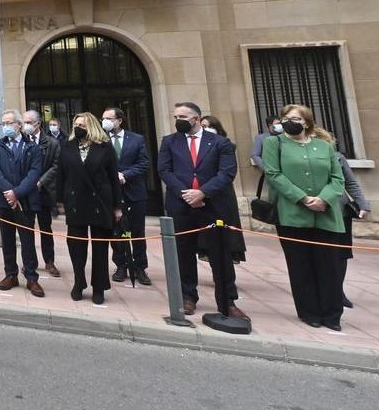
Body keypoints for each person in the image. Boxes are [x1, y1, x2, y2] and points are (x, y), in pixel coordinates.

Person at [159, 102, 248, 320]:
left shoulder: (220, 142)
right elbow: (165, 170)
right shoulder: (169, 142)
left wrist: (203, 193)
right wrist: (186, 194)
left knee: (220, 254)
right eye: (175, 116)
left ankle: (227, 300)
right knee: (183, 252)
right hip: (181, 205)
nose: (178, 119)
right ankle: (187, 297)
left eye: (182, 116)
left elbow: (226, 173)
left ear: (196, 119)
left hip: (213, 206)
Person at [262, 104, 346, 331]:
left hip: (326, 214)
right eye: (287, 118)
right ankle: (309, 311)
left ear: (307, 122)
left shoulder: (324, 146)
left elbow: (337, 178)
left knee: (329, 265)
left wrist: (324, 199)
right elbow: (273, 174)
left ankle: (332, 313)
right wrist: (302, 198)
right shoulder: (274, 144)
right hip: (292, 214)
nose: (291, 122)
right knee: (300, 265)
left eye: (296, 118)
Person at [55, 112, 121, 304]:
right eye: (76, 124)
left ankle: (99, 287)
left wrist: (117, 206)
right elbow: (61, 175)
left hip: (100, 202)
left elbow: (113, 178)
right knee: (76, 246)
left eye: (82, 125)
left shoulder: (105, 147)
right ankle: (79, 282)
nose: (78, 128)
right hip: (75, 202)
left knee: (100, 247)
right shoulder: (67, 147)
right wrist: (60, 201)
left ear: (91, 126)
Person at [0, 111, 45, 296]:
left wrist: (17, 193)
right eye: (3, 123)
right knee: (7, 239)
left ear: (19, 125)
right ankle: (10, 274)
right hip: (4, 201)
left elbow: (34, 173)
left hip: (25, 201)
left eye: (9, 122)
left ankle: (31, 277)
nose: (5, 126)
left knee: (27, 240)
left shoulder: (33, 147)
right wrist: (9, 193)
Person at [103, 108, 153, 285]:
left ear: (119, 120)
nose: (106, 121)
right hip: (111, 194)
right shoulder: (101, 139)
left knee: (137, 231)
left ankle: (139, 267)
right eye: (104, 118)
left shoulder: (136, 139)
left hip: (134, 192)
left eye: (109, 118)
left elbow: (143, 163)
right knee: (116, 232)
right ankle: (121, 265)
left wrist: (125, 174)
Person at [199, 115, 247, 264]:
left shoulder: (227, 145)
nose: (206, 129)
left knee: (226, 232)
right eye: (203, 126)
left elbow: (227, 172)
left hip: (223, 193)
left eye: (208, 126)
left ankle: (228, 264)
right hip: (204, 192)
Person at [22, 110, 61, 277]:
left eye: (29, 122)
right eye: (24, 122)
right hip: (26, 192)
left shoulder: (52, 143)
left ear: (38, 124)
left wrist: (41, 181)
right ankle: (30, 263)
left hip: (43, 192)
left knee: (45, 228)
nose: (26, 126)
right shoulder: (21, 141)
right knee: (27, 229)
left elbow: (56, 166)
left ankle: (49, 261)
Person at [335, 148, 369, 308]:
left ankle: (338, 290)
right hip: (317, 213)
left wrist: (362, 204)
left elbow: (350, 183)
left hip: (341, 212)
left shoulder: (338, 157)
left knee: (342, 253)